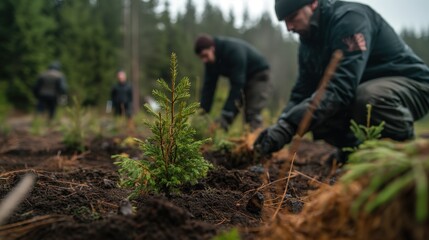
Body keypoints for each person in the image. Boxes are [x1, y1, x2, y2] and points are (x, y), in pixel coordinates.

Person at [254, 0, 429, 161]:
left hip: (413, 85)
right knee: (313, 112)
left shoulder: (350, 20)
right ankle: (354, 152)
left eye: (293, 17)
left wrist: (289, 127)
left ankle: (406, 156)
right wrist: (280, 125)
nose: (289, 27)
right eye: (285, 21)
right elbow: (301, 92)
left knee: (368, 97)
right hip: (364, 90)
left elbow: (340, 90)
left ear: (313, 4)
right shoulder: (308, 44)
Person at [194, 34, 271, 131]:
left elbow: (237, 84)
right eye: (201, 57)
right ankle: (217, 136)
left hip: (259, 75)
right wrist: (202, 114)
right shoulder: (210, 63)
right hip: (241, 79)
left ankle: (257, 142)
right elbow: (208, 89)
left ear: (212, 48)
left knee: (251, 113)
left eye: (205, 55)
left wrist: (227, 111)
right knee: (227, 114)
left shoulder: (232, 51)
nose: (204, 60)